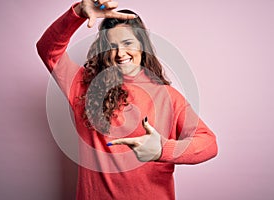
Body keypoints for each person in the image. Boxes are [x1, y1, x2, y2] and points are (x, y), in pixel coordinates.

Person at [36, 0, 218, 199]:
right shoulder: (83, 86)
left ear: (142, 45)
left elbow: (209, 143)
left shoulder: (167, 97)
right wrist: (77, 12)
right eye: (112, 46)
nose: (120, 53)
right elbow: (48, 50)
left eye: (128, 43)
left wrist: (163, 150)